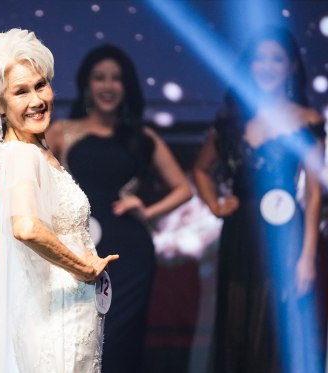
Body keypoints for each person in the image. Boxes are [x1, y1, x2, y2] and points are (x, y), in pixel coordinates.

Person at [0, 28, 119, 372]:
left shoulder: (35, 149)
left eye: (41, 85)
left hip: (68, 311)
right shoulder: (23, 155)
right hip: (55, 319)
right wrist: (82, 266)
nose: (37, 100)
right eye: (20, 92)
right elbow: (25, 227)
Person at [47, 44, 192, 372]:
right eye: (100, 78)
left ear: (127, 87)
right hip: (77, 251)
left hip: (129, 255)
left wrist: (148, 211)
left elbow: (183, 188)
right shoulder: (61, 132)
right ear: (87, 83)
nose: (108, 86)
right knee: (76, 338)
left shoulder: (141, 137)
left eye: (116, 79)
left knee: (118, 341)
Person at [193, 26, 324, 373]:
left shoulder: (308, 121)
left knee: (274, 327)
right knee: (236, 328)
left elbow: (314, 193)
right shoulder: (231, 121)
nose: (267, 66)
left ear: (292, 66)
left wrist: (308, 256)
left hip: (286, 235)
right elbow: (201, 170)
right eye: (259, 58)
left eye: (276, 58)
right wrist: (217, 205)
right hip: (241, 233)